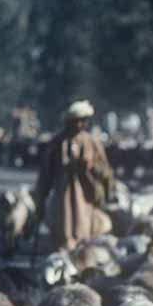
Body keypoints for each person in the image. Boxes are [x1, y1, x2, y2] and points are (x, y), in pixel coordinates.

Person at [33, 100, 113, 251]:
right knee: (63, 233)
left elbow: (105, 171)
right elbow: (45, 176)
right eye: (76, 121)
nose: (79, 125)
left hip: (87, 197)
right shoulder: (57, 143)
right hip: (62, 197)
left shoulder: (92, 142)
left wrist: (91, 167)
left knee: (86, 234)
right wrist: (40, 201)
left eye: (82, 121)